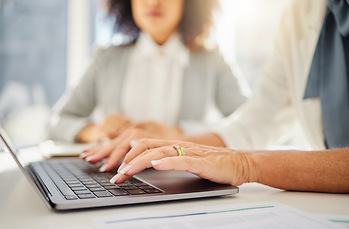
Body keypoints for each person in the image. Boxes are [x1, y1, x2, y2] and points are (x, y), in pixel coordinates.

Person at [82, 0, 349, 193]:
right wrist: (175, 146)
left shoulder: (211, 59)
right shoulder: (299, 13)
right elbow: (257, 119)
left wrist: (240, 162)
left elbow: (242, 113)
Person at [46, 0, 249, 146]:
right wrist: (94, 131)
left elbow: (249, 123)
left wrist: (180, 133)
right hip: (116, 177)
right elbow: (57, 121)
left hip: (185, 179)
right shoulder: (106, 58)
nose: (152, 2)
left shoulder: (212, 60)